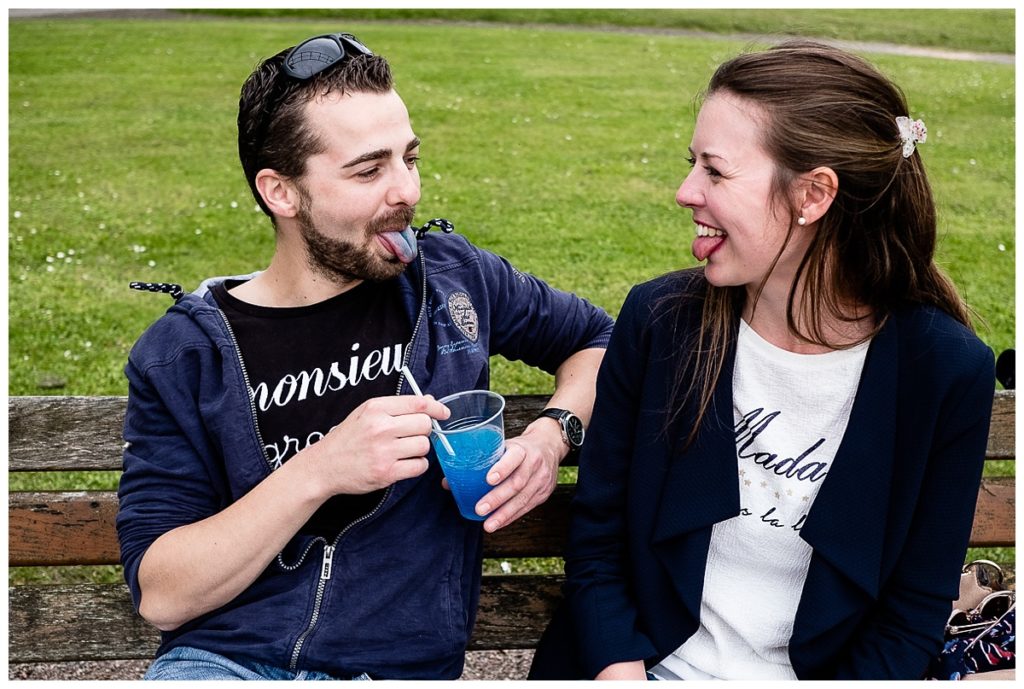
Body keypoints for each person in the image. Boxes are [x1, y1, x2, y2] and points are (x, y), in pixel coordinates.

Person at [115, 31, 613, 681]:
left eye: (410, 158)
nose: (406, 190)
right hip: (225, 663)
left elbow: (602, 341)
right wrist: (320, 469)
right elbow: (164, 592)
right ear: (282, 192)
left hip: (400, 668)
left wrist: (552, 436)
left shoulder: (453, 282)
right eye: (369, 170)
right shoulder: (186, 352)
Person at [529, 40, 995, 681]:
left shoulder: (942, 371)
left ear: (813, 194)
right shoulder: (663, 321)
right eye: (691, 164)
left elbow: (911, 613)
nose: (684, 191)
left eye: (715, 172)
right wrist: (621, 671)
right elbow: (599, 542)